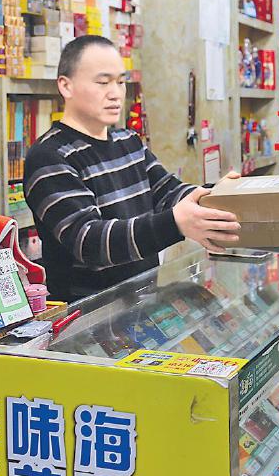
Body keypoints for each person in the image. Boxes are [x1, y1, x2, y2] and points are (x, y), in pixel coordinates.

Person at [23, 35, 241, 301]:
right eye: (103, 82)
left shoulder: (128, 141)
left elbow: (169, 192)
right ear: (66, 86)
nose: (115, 93)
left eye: (120, 81)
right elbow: (89, 241)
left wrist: (219, 196)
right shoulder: (48, 157)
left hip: (140, 303)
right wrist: (175, 223)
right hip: (86, 315)